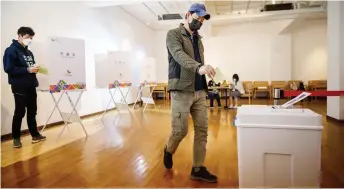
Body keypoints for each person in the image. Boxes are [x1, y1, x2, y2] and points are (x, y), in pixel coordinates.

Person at [164, 3, 217, 183]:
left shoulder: (199, 39)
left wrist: (205, 70)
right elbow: (179, 55)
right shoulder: (173, 34)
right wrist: (199, 67)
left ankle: (198, 168)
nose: (200, 21)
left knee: (202, 130)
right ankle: (169, 149)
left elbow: (199, 61)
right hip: (181, 91)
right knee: (180, 131)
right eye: (198, 17)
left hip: (200, 91)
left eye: (203, 19)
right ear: (188, 15)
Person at [3, 27, 46, 148]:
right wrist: (27, 69)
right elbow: (8, 68)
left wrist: (35, 69)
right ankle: (16, 138)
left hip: (31, 85)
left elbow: (30, 68)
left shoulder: (29, 52)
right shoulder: (11, 50)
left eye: (31, 38)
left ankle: (35, 135)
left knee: (32, 111)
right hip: (19, 86)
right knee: (20, 112)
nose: (30, 40)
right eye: (28, 37)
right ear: (20, 36)